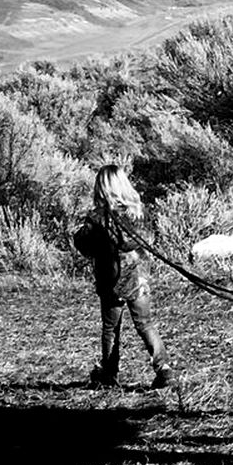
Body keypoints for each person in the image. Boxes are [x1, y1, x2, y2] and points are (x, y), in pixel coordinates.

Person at [74, 165, 175, 389]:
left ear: (102, 186)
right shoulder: (139, 211)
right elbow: (148, 240)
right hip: (139, 278)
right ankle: (164, 370)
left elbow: (83, 244)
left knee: (111, 329)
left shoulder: (97, 217)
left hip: (111, 280)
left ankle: (109, 374)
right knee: (145, 324)